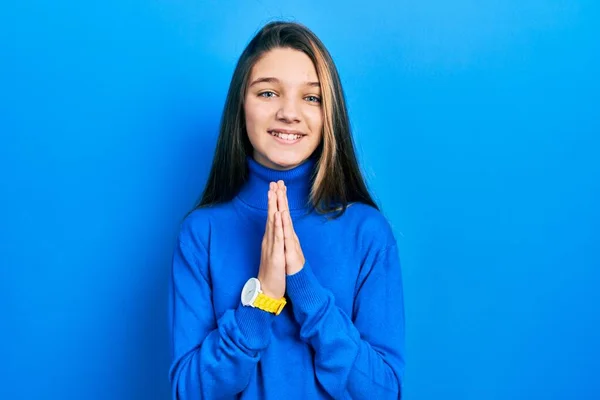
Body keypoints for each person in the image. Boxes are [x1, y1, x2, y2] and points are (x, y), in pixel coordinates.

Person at [168, 21, 405, 399]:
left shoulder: (368, 233)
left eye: (311, 98)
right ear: (240, 105)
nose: (289, 113)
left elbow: (384, 392)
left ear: (330, 114)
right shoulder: (201, 234)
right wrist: (262, 299)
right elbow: (189, 392)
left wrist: (305, 288)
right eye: (268, 93)